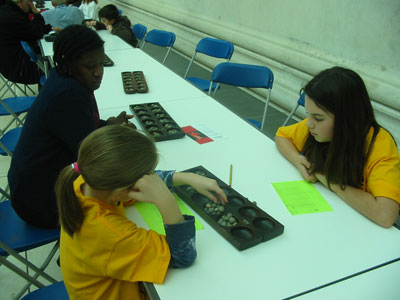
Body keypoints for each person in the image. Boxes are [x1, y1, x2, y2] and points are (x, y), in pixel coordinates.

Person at [56, 125, 227, 299]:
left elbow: (131, 180)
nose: (150, 179)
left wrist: (187, 178)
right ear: (122, 190)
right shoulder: (111, 234)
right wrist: (165, 200)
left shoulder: (89, 179)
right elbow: (182, 256)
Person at [8, 25, 134, 228]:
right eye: (90, 66)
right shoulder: (68, 93)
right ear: (69, 62)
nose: (99, 72)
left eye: (101, 64)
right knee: (126, 202)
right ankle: (78, 253)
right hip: (39, 201)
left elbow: (75, 128)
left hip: (31, 186)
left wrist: (107, 125)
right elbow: (90, 156)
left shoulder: (64, 77)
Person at [275, 67, 400, 228]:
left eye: (318, 118)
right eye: (308, 114)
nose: (309, 124)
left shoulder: (379, 145)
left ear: (346, 119)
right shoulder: (318, 130)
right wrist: (298, 160)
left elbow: (385, 215)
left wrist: (330, 181)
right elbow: (282, 136)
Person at [0, 0, 52, 84]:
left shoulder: (9, 12)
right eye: (30, 1)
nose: (32, 4)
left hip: (11, 64)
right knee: (58, 63)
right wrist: (36, 13)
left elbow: (28, 29)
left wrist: (50, 29)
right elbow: (36, 33)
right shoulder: (13, 17)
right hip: (20, 69)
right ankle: (50, 94)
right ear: (20, 1)